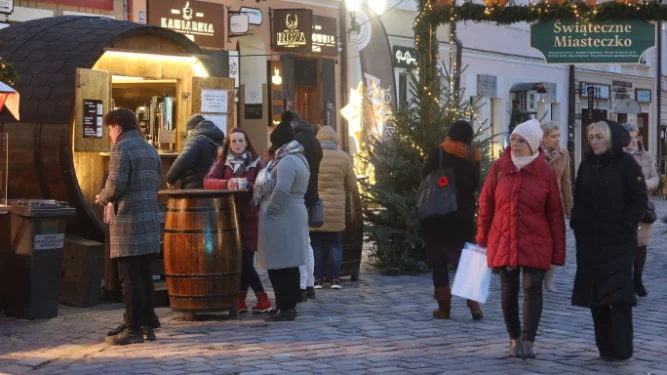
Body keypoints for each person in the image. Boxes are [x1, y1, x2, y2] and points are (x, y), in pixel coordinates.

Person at [477, 119, 566, 359]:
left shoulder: (545, 172)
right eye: (513, 139)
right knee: (508, 289)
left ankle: (528, 340)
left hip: (536, 240)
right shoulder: (499, 168)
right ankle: (514, 338)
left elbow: (555, 214)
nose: (514, 144)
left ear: (533, 144)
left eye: (521, 140)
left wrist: (558, 252)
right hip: (504, 236)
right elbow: (486, 205)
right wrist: (483, 239)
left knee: (532, 288)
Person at [571, 120, 647, 362]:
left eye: (598, 137)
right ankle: (604, 347)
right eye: (591, 137)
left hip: (618, 241)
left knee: (619, 296)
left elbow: (639, 200)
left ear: (610, 138)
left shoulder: (626, 163)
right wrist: (578, 225)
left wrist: (625, 224)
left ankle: (622, 348)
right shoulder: (586, 165)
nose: (593, 141)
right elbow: (579, 198)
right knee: (596, 297)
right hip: (591, 242)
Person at [96, 109, 162, 345]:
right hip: (148, 220)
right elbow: (157, 181)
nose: (110, 136)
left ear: (116, 126)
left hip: (128, 222)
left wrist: (102, 197)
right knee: (144, 275)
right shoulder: (149, 148)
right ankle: (145, 325)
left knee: (129, 279)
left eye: (109, 130)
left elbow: (116, 185)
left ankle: (132, 328)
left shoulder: (121, 149)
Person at [421, 120, 484, 320]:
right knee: (468, 257)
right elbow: (475, 184)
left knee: (439, 260)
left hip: (438, 214)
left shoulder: (438, 153)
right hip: (463, 215)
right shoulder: (473, 156)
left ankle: (444, 308)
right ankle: (473, 303)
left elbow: (425, 177)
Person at [204, 128, 272, 313]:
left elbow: (265, 185)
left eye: (241, 141)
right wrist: (226, 184)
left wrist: (247, 186)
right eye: (234, 141)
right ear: (229, 144)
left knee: (244, 261)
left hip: (250, 216)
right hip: (229, 218)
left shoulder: (256, 163)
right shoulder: (223, 163)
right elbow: (208, 181)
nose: (237, 144)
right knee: (240, 260)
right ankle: (241, 299)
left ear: (246, 142)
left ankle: (262, 298)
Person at [253, 120, 310, 322]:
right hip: (291, 213)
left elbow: (282, 188)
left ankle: (285, 306)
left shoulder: (287, 160)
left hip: (282, 215)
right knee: (289, 262)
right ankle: (288, 305)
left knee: (278, 263)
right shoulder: (299, 158)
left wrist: (271, 211)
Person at [310, 126, 357, 289]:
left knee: (316, 246)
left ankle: (317, 279)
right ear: (335, 139)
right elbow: (352, 185)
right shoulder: (343, 158)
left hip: (316, 208)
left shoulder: (312, 156)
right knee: (334, 245)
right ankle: (335, 279)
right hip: (336, 208)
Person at [622, 123, 659, 298]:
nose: (635, 140)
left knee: (641, 244)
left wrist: (645, 185)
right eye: (631, 137)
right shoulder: (616, 156)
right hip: (623, 208)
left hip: (642, 207)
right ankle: (626, 280)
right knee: (626, 245)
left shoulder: (645, 155)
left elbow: (655, 177)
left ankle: (638, 278)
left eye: (636, 136)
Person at [289, 111, 322, 301]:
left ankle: (301, 286)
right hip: (312, 193)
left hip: (300, 194)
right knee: (306, 243)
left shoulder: (297, 141)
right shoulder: (315, 141)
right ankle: (309, 284)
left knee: (299, 243)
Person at [540, 121, 573, 293]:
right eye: (553, 136)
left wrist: (569, 210)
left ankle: (549, 276)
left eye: (559, 135)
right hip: (537, 205)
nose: (557, 139)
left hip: (556, 205)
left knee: (554, 243)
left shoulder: (563, 154)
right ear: (543, 138)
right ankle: (534, 273)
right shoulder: (534, 153)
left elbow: (566, 182)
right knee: (538, 242)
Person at [165, 114, 224, 189]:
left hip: (194, 189)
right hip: (212, 187)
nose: (188, 134)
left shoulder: (195, 139)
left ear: (192, 129)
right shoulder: (219, 140)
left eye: (188, 131)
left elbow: (182, 160)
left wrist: (170, 179)